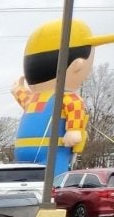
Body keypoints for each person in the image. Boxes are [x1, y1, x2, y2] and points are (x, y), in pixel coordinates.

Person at [12, 19, 114, 175]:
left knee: (40, 179)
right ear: (78, 65)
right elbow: (74, 107)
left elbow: (74, 109)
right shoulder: (58, 97)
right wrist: (18, 91)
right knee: (45, 180)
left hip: (37, 149)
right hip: (45, 151)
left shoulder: (52, 97)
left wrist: (73, 129)